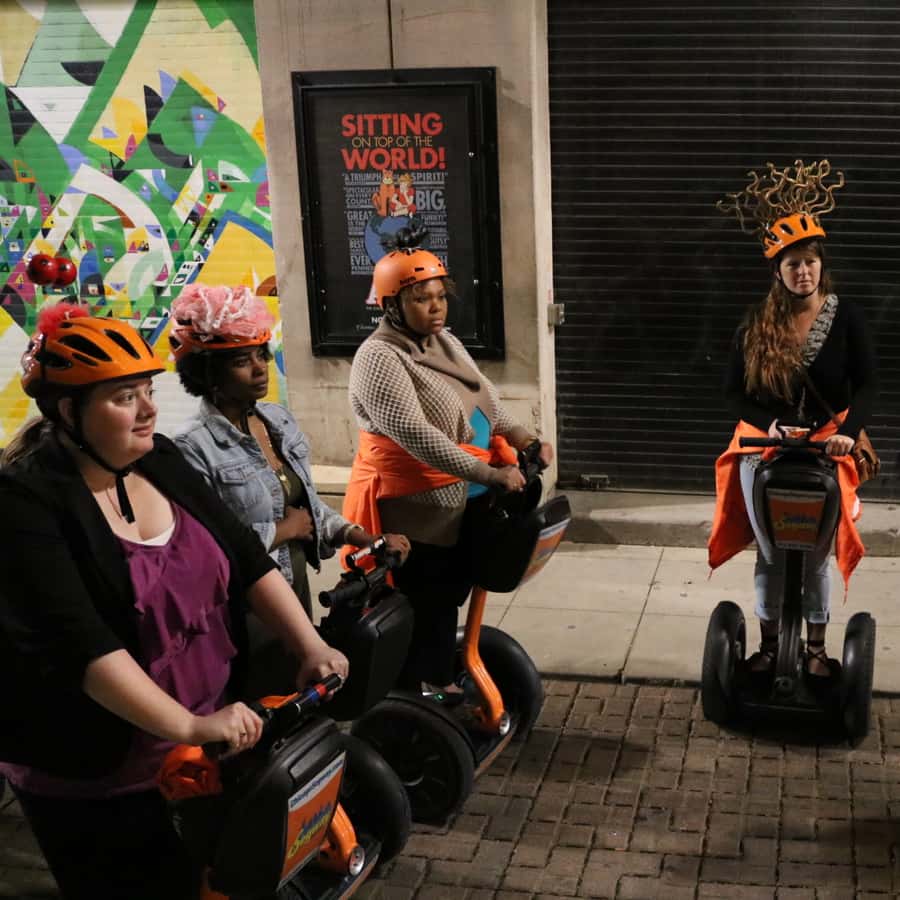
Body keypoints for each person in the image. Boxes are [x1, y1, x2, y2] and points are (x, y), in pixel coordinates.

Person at [0, 302, 349, 900]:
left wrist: (310, 645)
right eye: (124, 398)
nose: (148, 409)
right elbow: (83, 645)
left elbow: (246, 557)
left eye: (147, 391)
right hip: (102, 766)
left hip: (204, 744)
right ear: (68, 412)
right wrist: (189, 723)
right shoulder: (25, 502)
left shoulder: (160, 459)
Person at [344, 227, 554, 698]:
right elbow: (416, 435)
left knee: (448, 600)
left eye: (440, 296)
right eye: (421, 299)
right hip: (418, 512)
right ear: (391, 305)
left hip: (466, 503)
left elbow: (486, 401)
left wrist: (524, 437)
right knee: (427, 604)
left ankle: (437, 678)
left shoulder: (446, 342)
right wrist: (490, 473)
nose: (436, 307)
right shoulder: (378, 357)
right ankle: (422, 695)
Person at [709, 160, 877, 684]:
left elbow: (868, 385)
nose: (803, 271)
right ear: (777, 272)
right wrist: (772, 425)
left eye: (810, 262)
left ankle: (817, 649)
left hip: (828, 448)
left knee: (816, 557)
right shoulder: (757, 323)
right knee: (771, 556)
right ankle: (767, 646)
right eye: (792, 264)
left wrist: (847, 432)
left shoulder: (846, 317)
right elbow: (732, 393)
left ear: (821, 266)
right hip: (765, 448)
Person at [169, 283, 409, 621]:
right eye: (241, 361)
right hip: (245, 605)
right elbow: (204, 545)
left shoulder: (277, 421)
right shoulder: (192, 447)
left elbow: (309, 509)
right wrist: (285, 530)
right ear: (208, 374)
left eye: (260, 355)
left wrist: (366, 538)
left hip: (294, 584)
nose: (259, 368)